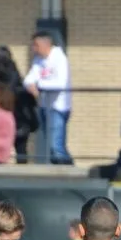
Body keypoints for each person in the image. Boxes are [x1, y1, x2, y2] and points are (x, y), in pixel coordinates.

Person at [24, 31, 73, 165]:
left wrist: (38, 85)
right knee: (51, 148)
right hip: (44, 107)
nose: (34, 49)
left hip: (58, 107)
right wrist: (31, 84)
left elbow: (60, 83)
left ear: (46, 44)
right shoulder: (38, 60)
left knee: (56, 146)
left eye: (36, 45)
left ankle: (70, 172)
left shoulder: (59, 58)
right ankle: (60, 172)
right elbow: (28, 79)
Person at [0, 45, 38, 164]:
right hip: (18, 117)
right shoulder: (11, 72)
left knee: (10, 147)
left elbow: (7, 88)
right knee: (20, 149)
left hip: (17, 116)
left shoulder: (7, 74)